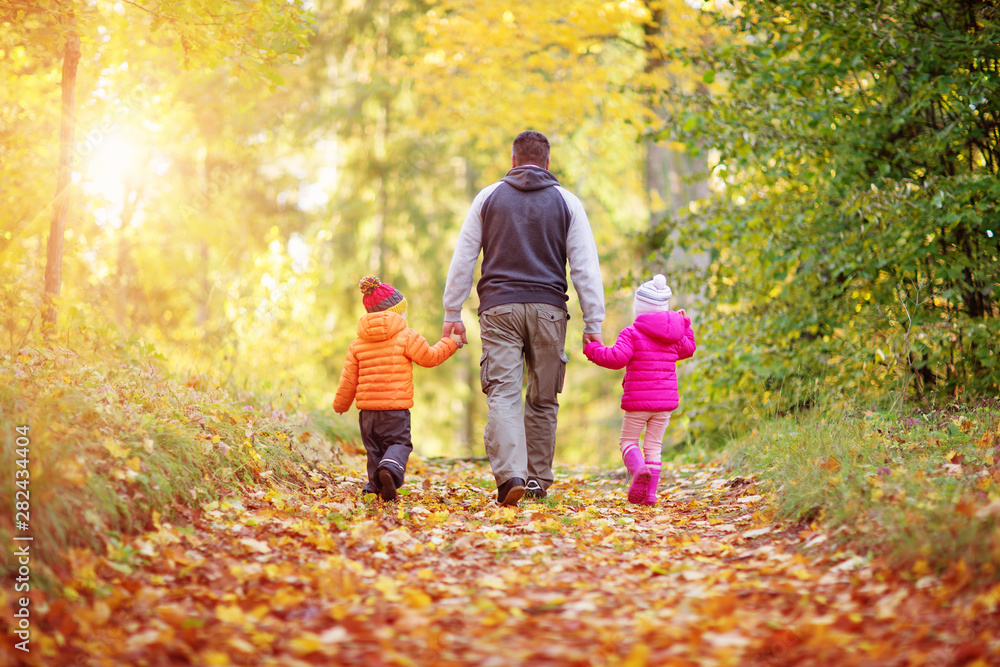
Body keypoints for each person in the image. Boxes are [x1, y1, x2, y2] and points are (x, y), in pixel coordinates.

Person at [442, 130, 605, 507]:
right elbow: (585, 267)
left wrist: (453, 311)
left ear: (512, 161)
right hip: (549, 310)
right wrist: (593, 323)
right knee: (543, 398)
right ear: (548, 163)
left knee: (503, 394)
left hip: (499, 310)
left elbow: (463, 259)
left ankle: (510, 476)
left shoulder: (488, 197)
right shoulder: (567, 202)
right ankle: (536, 481)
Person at [334, 276, 462, 501]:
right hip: (395, 410)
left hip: (367, 414)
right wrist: (451, 342)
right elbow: (430, 357)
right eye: (402, 311)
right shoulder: (406, 336)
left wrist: (341, 404)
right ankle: (390, 472)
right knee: (398, 444)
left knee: (374, 450)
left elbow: (348, 380)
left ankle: (373, 487)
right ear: (396, 312)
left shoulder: (357, 344)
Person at [583, 274, 696, 506]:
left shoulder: (632, 333)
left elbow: (616, 358)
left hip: (638, 403)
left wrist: (592, 349)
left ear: (639, 309)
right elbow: (689, 349)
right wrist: (686, 326)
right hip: (664, 404)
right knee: (654, 446)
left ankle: (638, 471)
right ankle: (650, 495)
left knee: (628, 442)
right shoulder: (674, 336)